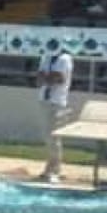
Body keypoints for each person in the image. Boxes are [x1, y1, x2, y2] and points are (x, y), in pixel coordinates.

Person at [36, 47, 74, 183]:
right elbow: (40, 77)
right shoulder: (46, 56)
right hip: (44, 99)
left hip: (57, 102)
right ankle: (49, 168)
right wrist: (48, 77)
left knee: (54, 137)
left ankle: (55, 171)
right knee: (47, 136)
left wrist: (48, 77)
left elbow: (59, 78)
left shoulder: (64, 58)